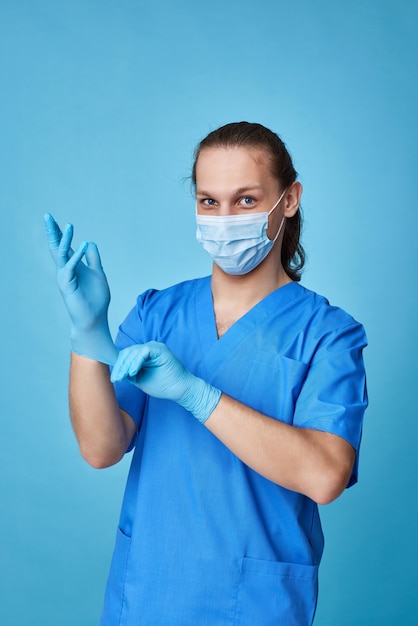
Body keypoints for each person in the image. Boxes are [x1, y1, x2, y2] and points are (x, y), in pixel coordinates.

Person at [44, 121, 368, 626]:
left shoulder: (328, 334)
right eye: (209, 201)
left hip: (255, 604)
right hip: (148, 590)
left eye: (244, 200)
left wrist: (197, 394)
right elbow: (101, 448)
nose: (223, 218)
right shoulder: (158, 313)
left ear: (289, 199)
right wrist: (87, 334)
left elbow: (326, 476)